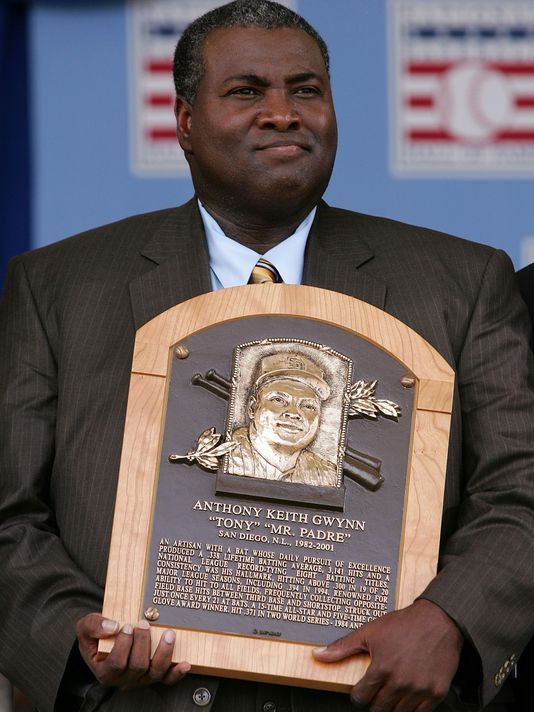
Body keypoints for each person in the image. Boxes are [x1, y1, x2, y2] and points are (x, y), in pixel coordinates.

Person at [0, 1, 533, 711]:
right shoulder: (58, 286)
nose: (283, 113)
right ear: (185, 120)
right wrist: (73, 632)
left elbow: (520, 489)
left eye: (305, 90)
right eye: (247, 91)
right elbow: (10, 511)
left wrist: (450, 620)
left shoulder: (462, 282)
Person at [226, 352, 338, 486]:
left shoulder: (328, 476)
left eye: (308, 406)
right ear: (252, 407)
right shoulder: (221, 457)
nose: (294, 413)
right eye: (278, 400)